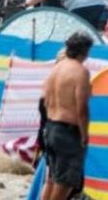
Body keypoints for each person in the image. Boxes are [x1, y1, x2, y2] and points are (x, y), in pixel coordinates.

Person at [41, 33, 93, 200]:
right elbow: (82, 108)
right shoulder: (80, 72)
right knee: (65, 182)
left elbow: (45, 100)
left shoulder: (55, 69)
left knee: (52, 178)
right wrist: (84, 135)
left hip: (50, 126)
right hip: (68, 130)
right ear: (84, 51)